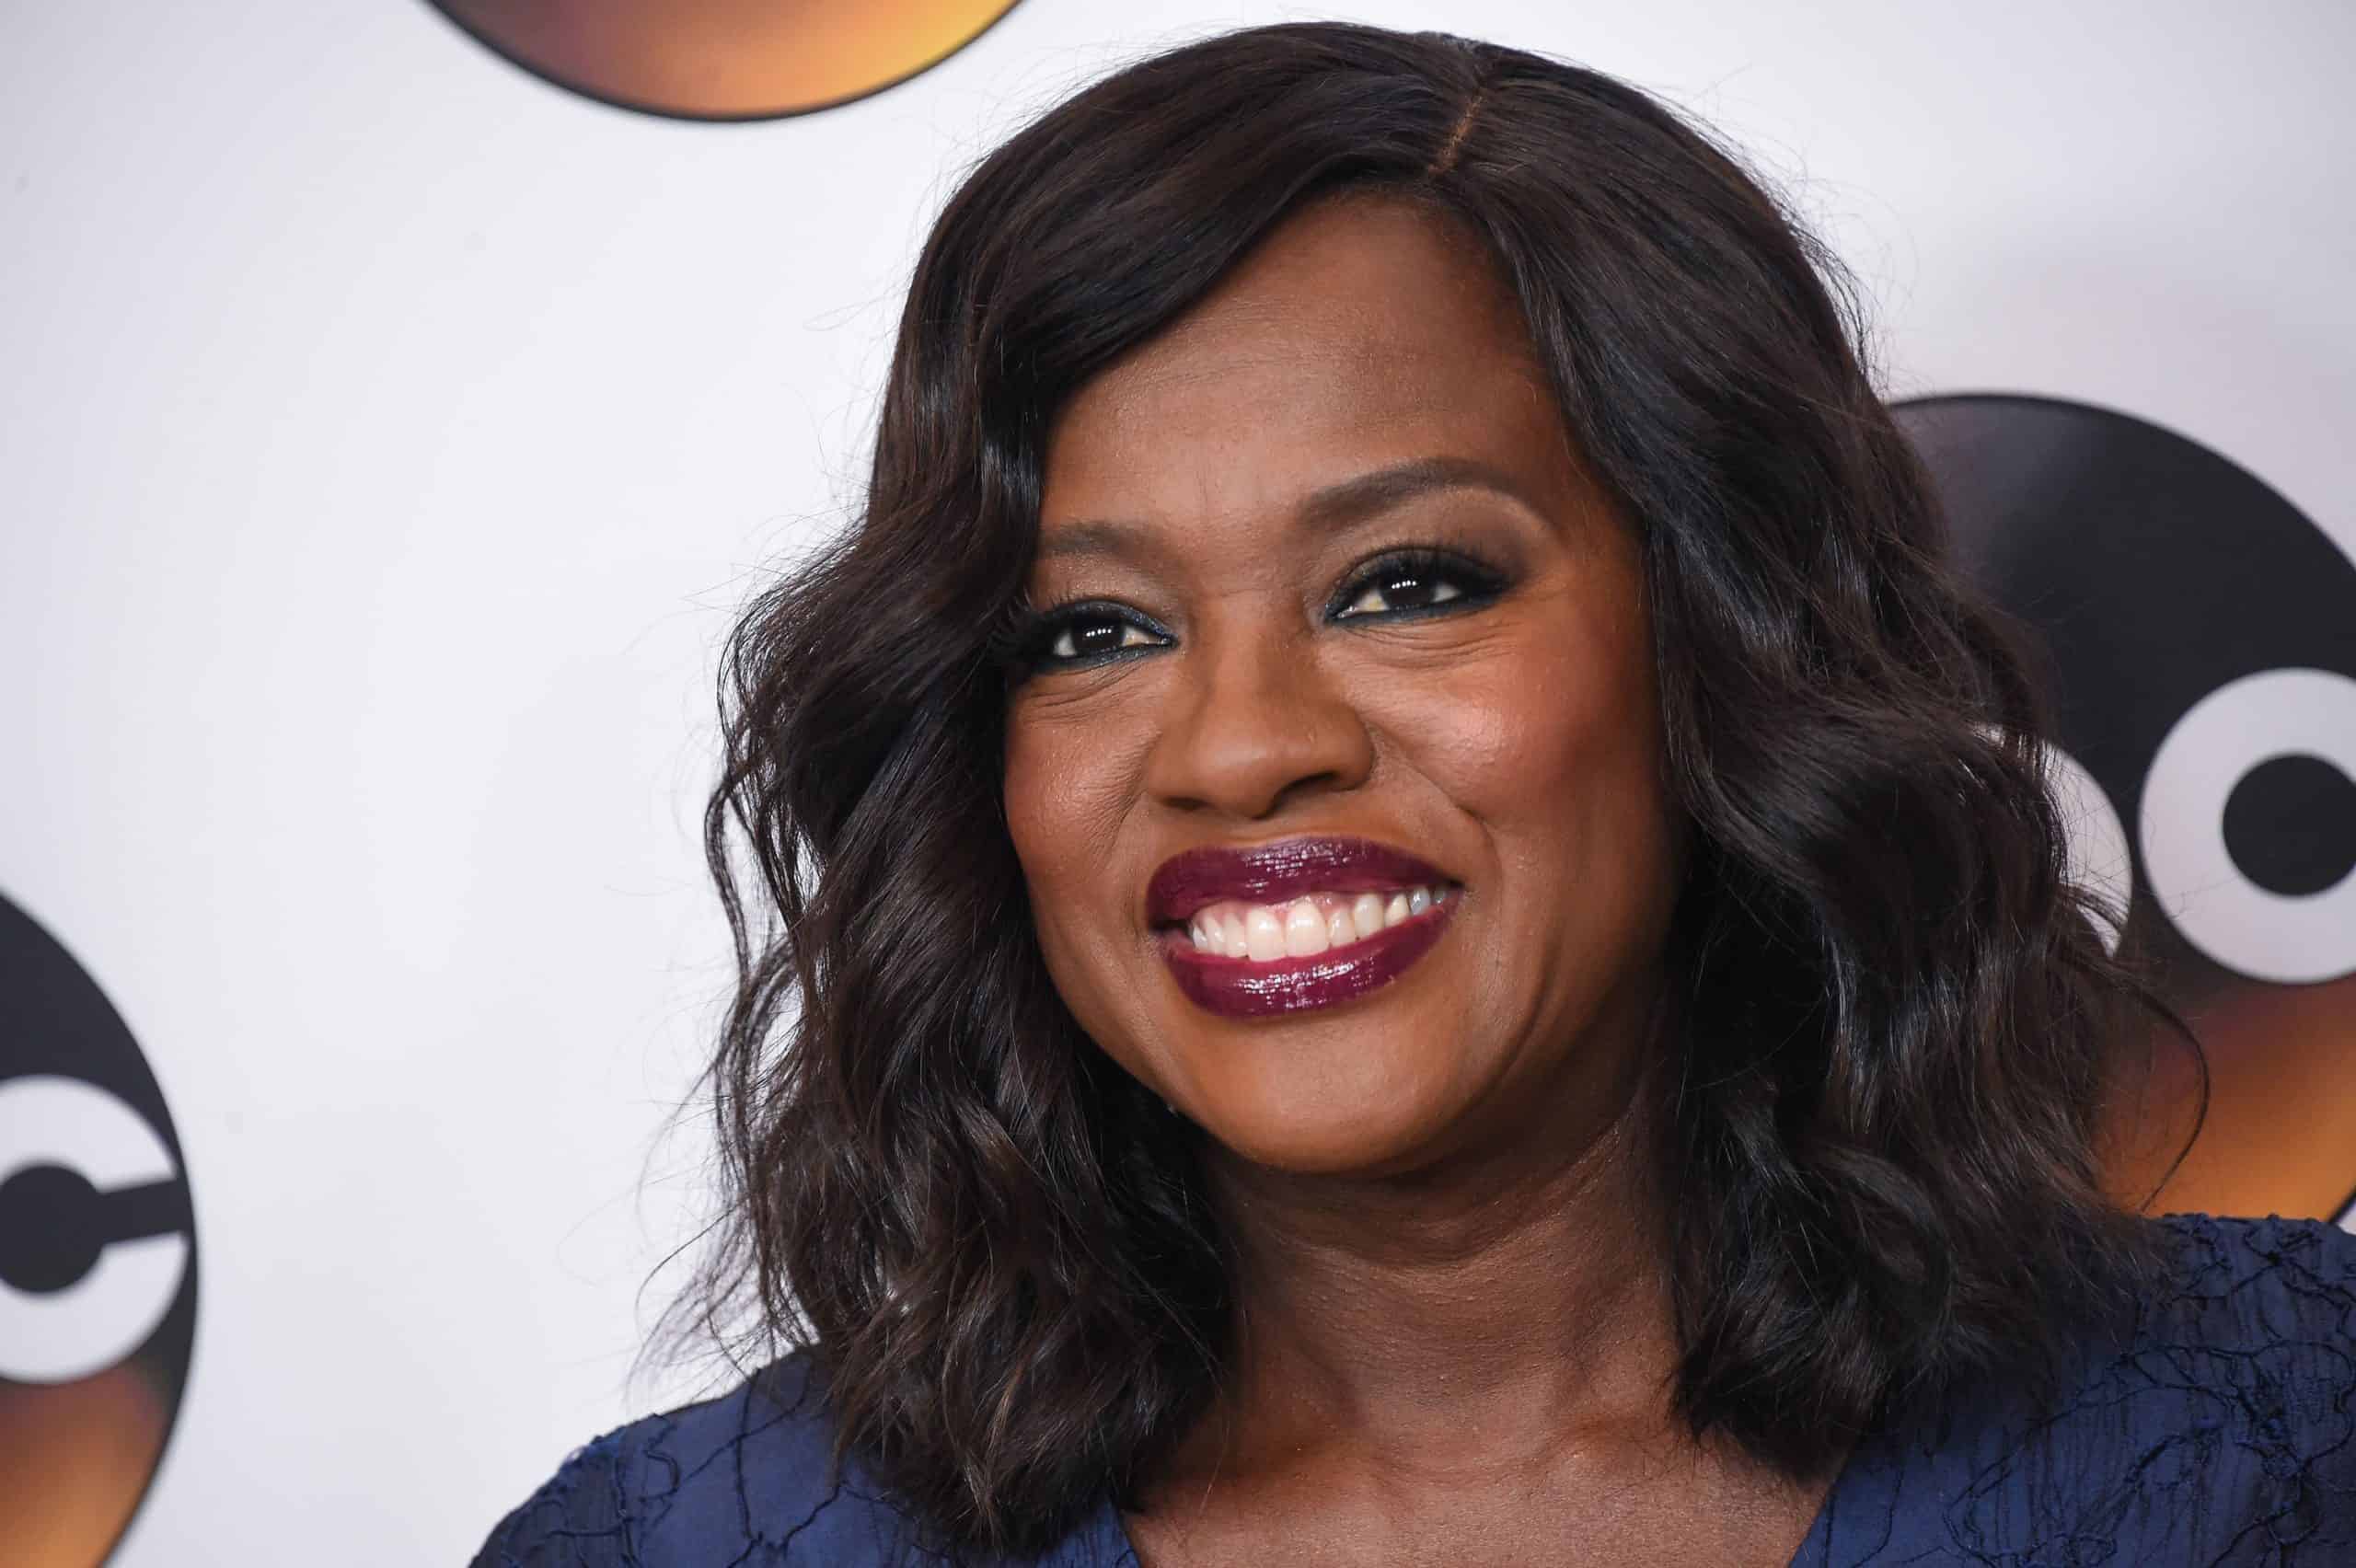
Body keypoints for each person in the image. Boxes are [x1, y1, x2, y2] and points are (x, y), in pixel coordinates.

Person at [469, 21, 2356, 1567]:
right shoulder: (676, 1549)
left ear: (1723, 644)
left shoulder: (2284, 1445)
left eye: (1405, 586)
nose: (1235, 746)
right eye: (1093, 632)